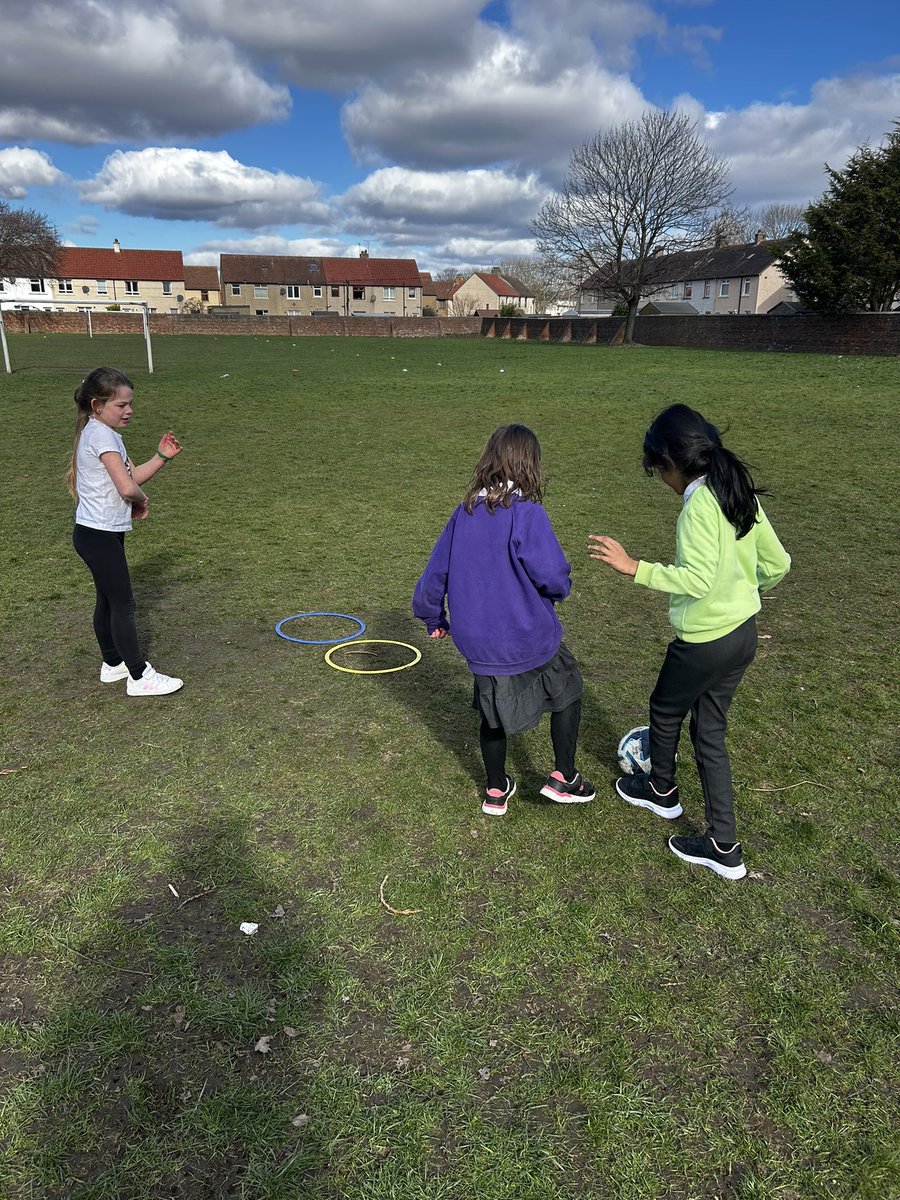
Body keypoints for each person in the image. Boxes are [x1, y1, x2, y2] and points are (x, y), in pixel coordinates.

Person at [589, 404, 790, 880]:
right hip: (743, 635)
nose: (663, 481)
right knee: (709, 733)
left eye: (659, 470)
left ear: (672, 462)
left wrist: (633, 567)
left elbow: (697, 580)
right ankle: (724, 846)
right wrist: (741, 593)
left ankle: (661, 791)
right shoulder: (735, 489)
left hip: (705, 642)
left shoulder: (698, 505)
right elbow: (778, 564)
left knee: (664, 709)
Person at [413, 424, 594, 816]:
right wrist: (560, 590)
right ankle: (564, 776)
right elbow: (552, 574)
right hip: (528, 635)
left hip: (479, 644)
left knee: (491, 709)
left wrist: (432, 616)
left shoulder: (463, 514)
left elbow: (434, 574)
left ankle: (495, 790)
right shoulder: (526, 513)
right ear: (530, 465)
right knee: (567, 689)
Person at [67, 367, 184, 696]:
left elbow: (131, 477)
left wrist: (161, 457)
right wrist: (140, 499)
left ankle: (113, 663)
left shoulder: (102, 432)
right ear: (97, 405)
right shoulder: (102, 435)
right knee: (123, 604)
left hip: (97, 532)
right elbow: (127, 487)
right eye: (121, 405)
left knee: (107, 600)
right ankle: (138, 676)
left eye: (130, 403)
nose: (129, 410)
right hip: (98, 534)